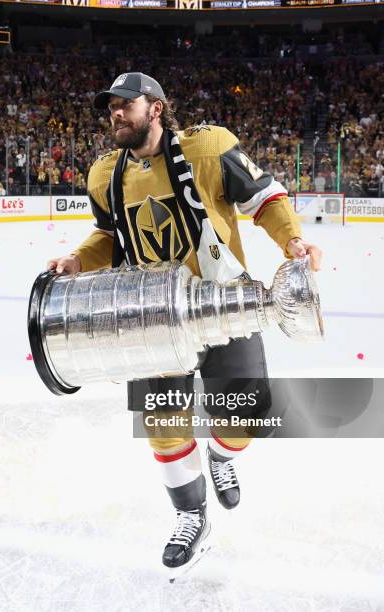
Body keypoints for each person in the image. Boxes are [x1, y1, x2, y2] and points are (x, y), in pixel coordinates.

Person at [47, 72, 322, 576]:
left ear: (155, 108)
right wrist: (77, 260)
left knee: (245, 414)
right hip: (150, 318)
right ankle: (192, 517)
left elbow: (264, 198)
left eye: (125, 104)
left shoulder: (209, 148)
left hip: (223, 305)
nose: (115, 113)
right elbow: (109, 238)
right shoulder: (104, 174)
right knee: (164, 428)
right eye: (110, 106)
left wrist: (293, 243)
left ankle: (221, 455)